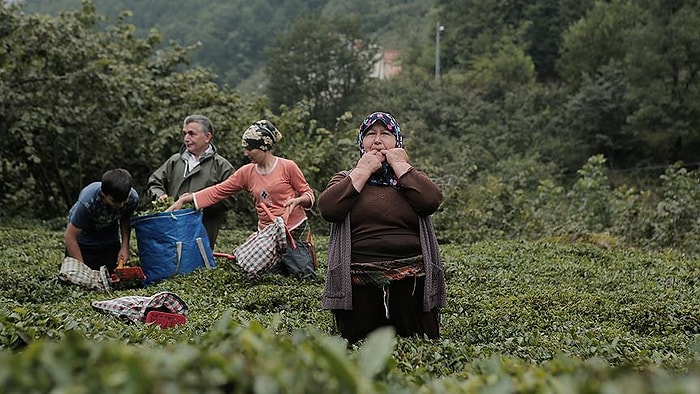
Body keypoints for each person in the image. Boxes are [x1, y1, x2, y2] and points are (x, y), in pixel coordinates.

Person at [317, 111, 446, 345]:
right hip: (358, 281)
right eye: (370, 134)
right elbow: (328, 209)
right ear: (361, 143)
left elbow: (432, 201)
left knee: (419, 344)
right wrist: (363, 171)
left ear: (397, 141)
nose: (377, 140)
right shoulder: (346, 178)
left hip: (412, 278)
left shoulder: (409, 177)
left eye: (385, 134)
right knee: (357, 346)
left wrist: (400, 165)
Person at [167, 120, 317, 278]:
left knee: (304, 276)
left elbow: (308, 193)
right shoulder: (247, 172)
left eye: (250, 148)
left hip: (293, 231)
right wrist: (187, 199)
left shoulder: (287, 167)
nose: (246, 153)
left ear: (263, 147)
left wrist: (298, 201)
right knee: (267, 280)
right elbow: (219, 190)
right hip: (267, 237)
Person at [148, 114, 235, 249]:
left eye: (192, 134)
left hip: (202, 232)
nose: (186, 139)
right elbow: (155, 182)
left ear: (207, 137)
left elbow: (230, 199)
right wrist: (159, 195)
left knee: (197, 266)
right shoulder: (175, 161)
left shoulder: (222, 166)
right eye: (185, 134)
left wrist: (197, 200)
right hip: (172, 230)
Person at [64, 168, 140, 273]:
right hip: (84, 238)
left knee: (111, 275)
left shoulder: (132, 198)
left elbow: (125, 219)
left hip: (109, 236)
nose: (121, 205)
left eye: (124, 200)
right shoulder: (88, 202)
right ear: (103, 194)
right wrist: (83, 271)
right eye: (115, 201)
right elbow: (70, 237)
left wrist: (125, 246)